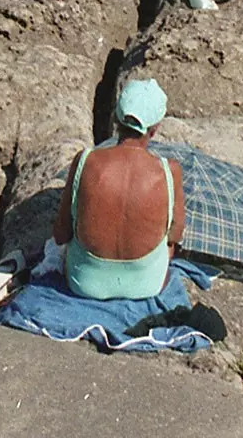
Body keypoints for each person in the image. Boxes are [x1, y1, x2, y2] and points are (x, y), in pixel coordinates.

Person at [52, 79, 185, 300]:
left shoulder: (85, 160)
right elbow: (175, 235)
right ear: (155, 129)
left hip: (84, 283)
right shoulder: (169, 171)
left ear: (116, 119)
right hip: (147, 286)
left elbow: (60, 234)